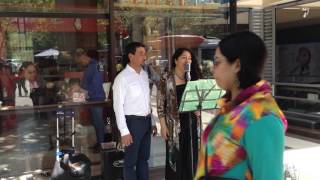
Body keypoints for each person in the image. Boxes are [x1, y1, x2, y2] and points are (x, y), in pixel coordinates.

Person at [194, 31, 288, 180]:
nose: (213, 69)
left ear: (237, 65)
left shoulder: (262, 117)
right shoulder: (234, 108)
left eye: (217, 62)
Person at [113, 42, 157, 180]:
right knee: (130, 162)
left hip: (145, 121)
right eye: (141, 54)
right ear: (131, 56)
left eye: (145, 53)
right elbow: (117, 106)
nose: (144, 57)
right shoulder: (122, 78)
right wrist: (124, 131)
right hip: (132, 123)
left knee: (144, 159)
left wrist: (153, 122)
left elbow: (147, 102)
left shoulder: (144, 74)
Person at [157, 48, 202, 180]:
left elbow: (198, 100)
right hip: (174, 124)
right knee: (175, 158)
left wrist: (198, 109)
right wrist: (163, 126)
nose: (187, 60)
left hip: (191, 123)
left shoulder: (193, 77)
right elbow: (160, 104)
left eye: (189, 58)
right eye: (183, 57)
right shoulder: (166, 78)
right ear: (176, 60)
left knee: (190, 156)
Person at [75, 48, 106, 153]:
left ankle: (101, 145)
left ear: (87, 57)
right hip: (99, 97)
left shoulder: (92, 67)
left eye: (82, 58)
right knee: (97, 122)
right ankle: (99, 143)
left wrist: (77, 94)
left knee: (98, 123)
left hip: (95, 98)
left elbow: (90, 87)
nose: (82, 61)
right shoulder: (99, 65)